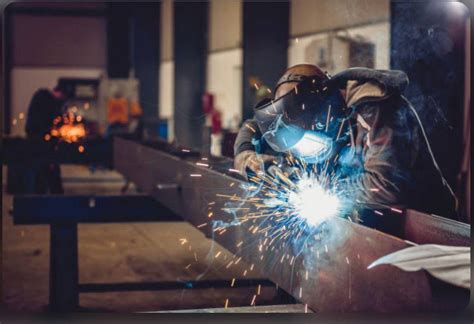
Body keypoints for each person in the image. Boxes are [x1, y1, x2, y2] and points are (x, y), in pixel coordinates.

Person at [234, 64, 457, 221]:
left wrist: (319, 190)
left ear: (322, 111)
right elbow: (253, 126)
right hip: (376, 225)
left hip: (429, 231)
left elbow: (385, 187)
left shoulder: (376, 108)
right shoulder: (313, 111)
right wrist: (246, 155)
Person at [24, 84, 66, 194]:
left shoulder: (42, 96)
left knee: (40, 174)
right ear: (59, 92)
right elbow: (53, 125)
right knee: (48, 173)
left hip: (36, 141)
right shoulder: (49, 101)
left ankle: (37, 200)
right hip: (42, 143)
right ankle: (56, 200)